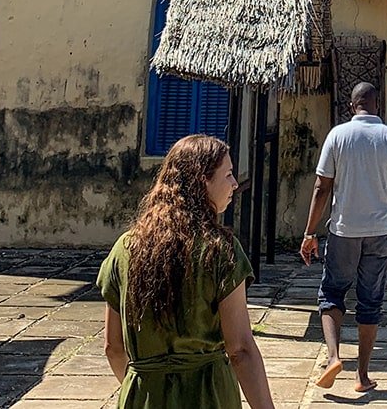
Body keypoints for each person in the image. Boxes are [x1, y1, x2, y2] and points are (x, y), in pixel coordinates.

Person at [97, 135, 275, 409]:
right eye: (227, 174)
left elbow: (114, 347)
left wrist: (143, 386)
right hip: (208, 396)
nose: (234, 184)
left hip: (145, 396)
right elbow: (240, 349)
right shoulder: (220, 250)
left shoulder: (125, 248)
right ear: (202, 180)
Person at [299, 82, 387, 393]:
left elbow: (321, 188)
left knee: (332, 294)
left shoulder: (338, 136)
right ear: (377, 105)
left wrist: (310, 232)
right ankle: (362, 376)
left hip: (344, 231)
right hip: (381, 233)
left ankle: (333, 357)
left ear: (353, 106)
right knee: (371, 301)